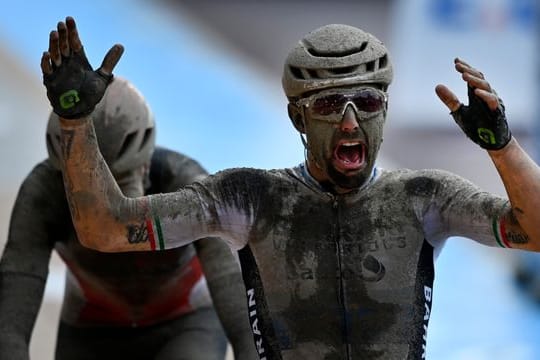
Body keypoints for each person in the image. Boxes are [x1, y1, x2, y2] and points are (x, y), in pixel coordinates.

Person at [40, 17, 540, 359]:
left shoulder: (427, 198)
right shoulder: (249, 199)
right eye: (328, 108)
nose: (350, 124)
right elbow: (105, 228)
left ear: (383, 110)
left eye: (365, 102)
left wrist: (502, 146)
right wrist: (75, 123)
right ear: (296, 116)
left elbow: (535, 233)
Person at [0, 77, 256, 360]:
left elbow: (237, 300)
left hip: (185, 324)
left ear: (145, 164)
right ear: (61, 175)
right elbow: (11, 323)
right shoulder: (43, 194)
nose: (107, 209)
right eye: (86, 195)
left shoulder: (183, 180)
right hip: (91, 330)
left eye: (121, 187)